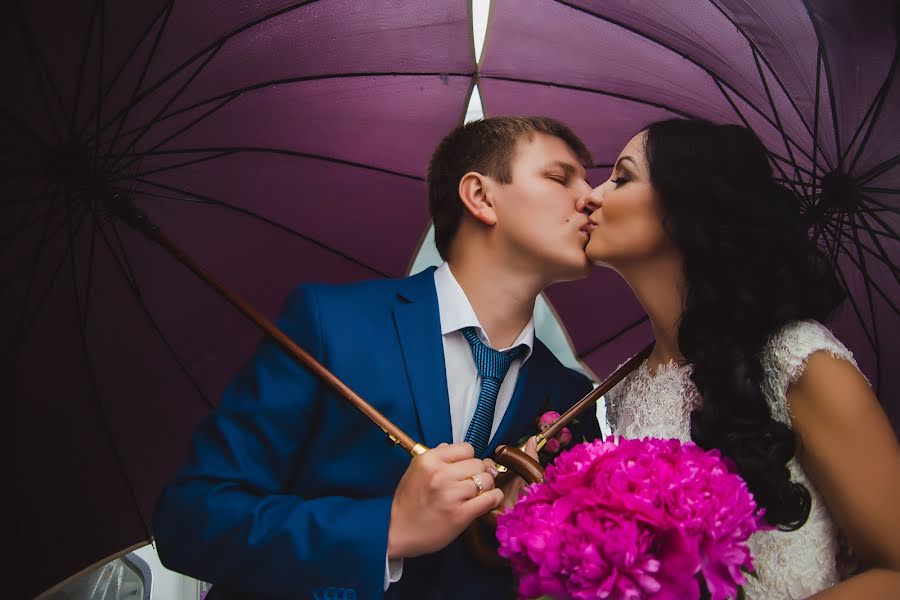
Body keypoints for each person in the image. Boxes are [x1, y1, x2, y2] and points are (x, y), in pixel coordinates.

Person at [152, 116, 602, 599]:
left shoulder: (573, 397)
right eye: (560, 178)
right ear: (481, 197)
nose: (591, 197)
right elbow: (192, 518)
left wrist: (535, 541)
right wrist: (389, 528)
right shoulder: (331, 324)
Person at [578, 118, 900, 598]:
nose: (591, 196)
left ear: (687, 207)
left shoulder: (798, 361)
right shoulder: (626, 386)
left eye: (622, 178)